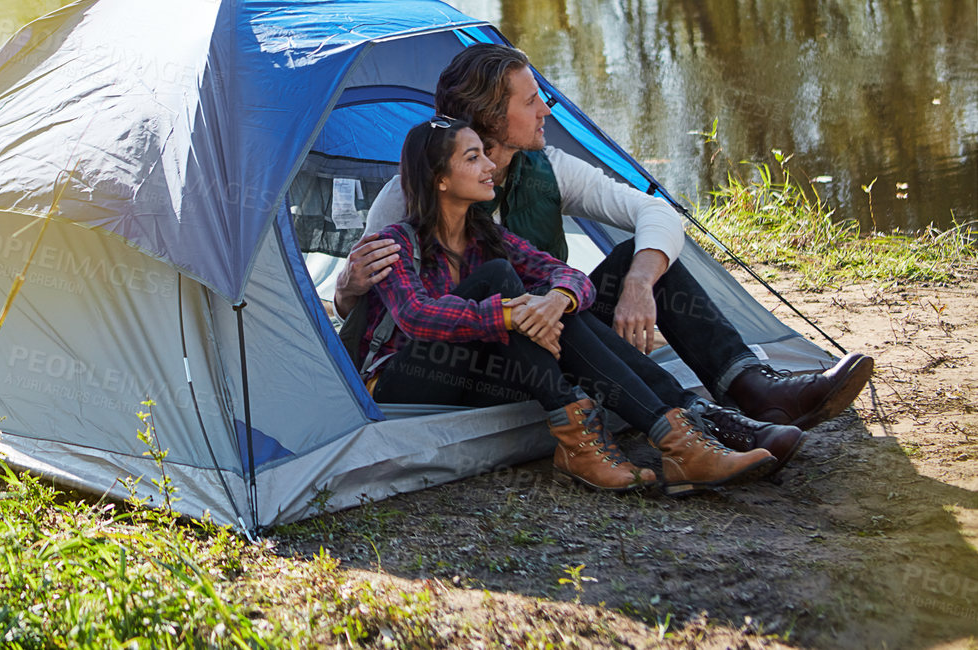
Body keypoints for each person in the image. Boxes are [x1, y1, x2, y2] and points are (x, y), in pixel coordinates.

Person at [338, 42, 876, 469]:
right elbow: (380, 313)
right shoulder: (406, 199)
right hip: (472, 359)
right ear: (489, 117)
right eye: (530, 100)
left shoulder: (547, 169)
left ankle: (751, 390)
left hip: (550, 333)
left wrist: (635, 282)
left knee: (634, 261)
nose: (545, 107)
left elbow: (657, 213)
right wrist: (348, 287)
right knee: (512, 282)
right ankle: (695, 423)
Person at [355, 116, 777, 495]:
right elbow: (417, 317)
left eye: (487, 154)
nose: (489, 166)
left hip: (476, 380)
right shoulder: (396, 242)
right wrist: (510, 313)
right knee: (503, 282)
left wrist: (554, 303)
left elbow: (568, 276)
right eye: (473, 158)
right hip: (405, 383)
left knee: (553, 305)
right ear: (440, 179)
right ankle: (638, 437)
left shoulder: (485, 235)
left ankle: (673, 440)